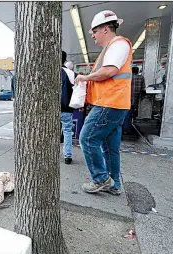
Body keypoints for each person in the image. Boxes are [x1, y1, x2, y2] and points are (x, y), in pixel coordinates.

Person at [74, 10, 133, 195]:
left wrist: (85, 78)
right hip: (116, 103)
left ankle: (100, 179)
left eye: (94, 31)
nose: (92, 35)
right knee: (110, 147)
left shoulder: (118, 45)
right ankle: (114, 184)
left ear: (105, 29)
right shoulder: (113, 47)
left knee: (87, 138)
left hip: (109, 103)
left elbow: (108, 72)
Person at [61, 51, 76, 164]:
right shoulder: (70, 73)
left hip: (50, 109)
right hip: (66, 107)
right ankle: (67, 155)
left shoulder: (47, 73)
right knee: (67, 131)